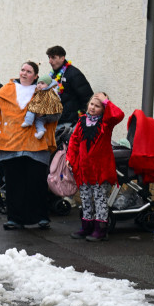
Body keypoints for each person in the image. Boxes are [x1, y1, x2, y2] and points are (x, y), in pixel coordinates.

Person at [0, 61, 56, 230]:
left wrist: (45, 113)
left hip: (36, 144)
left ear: (36, 76)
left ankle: (41, 217)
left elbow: (55, 116)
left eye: (29, 71)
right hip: (10, 144)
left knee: (36, 182)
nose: (24, 73)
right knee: (13, 183)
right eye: (22, 70)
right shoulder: (7, 89)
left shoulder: (44, 90)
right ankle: (14, 219)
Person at [66, 93, 124, 242]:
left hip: (100, 169)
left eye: (98, 106)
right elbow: (74, 141)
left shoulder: (106, 123)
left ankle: (100, 229)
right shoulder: (82, 121)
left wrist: (106, 101)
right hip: (84, 169)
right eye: (92, 104)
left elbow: (119, 114)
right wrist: (70, 158)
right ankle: (87, 226)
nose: (93, 107)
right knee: (85, 198)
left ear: (104, 109)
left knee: (100, 199)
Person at [46, 45, 93, 128]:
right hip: (55, 122)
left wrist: (80, 118)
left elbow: (88, 98)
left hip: (69, 123)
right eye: (49, 57)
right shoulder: (53, 75)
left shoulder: (74, 74)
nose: (50, 61)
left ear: (62, 58)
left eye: (53, 57)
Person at [22, 73, 62, 139]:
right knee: (39, 121)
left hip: (49, 113)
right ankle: (41, 131)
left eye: (42, 83)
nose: (39, 85)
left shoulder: (48, 92)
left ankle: (28, 121)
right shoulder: (44, 91)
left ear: (48, 85)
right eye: (38, 83)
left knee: (31, 109)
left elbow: (54, 103)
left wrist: (43, 110)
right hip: (46, 115)